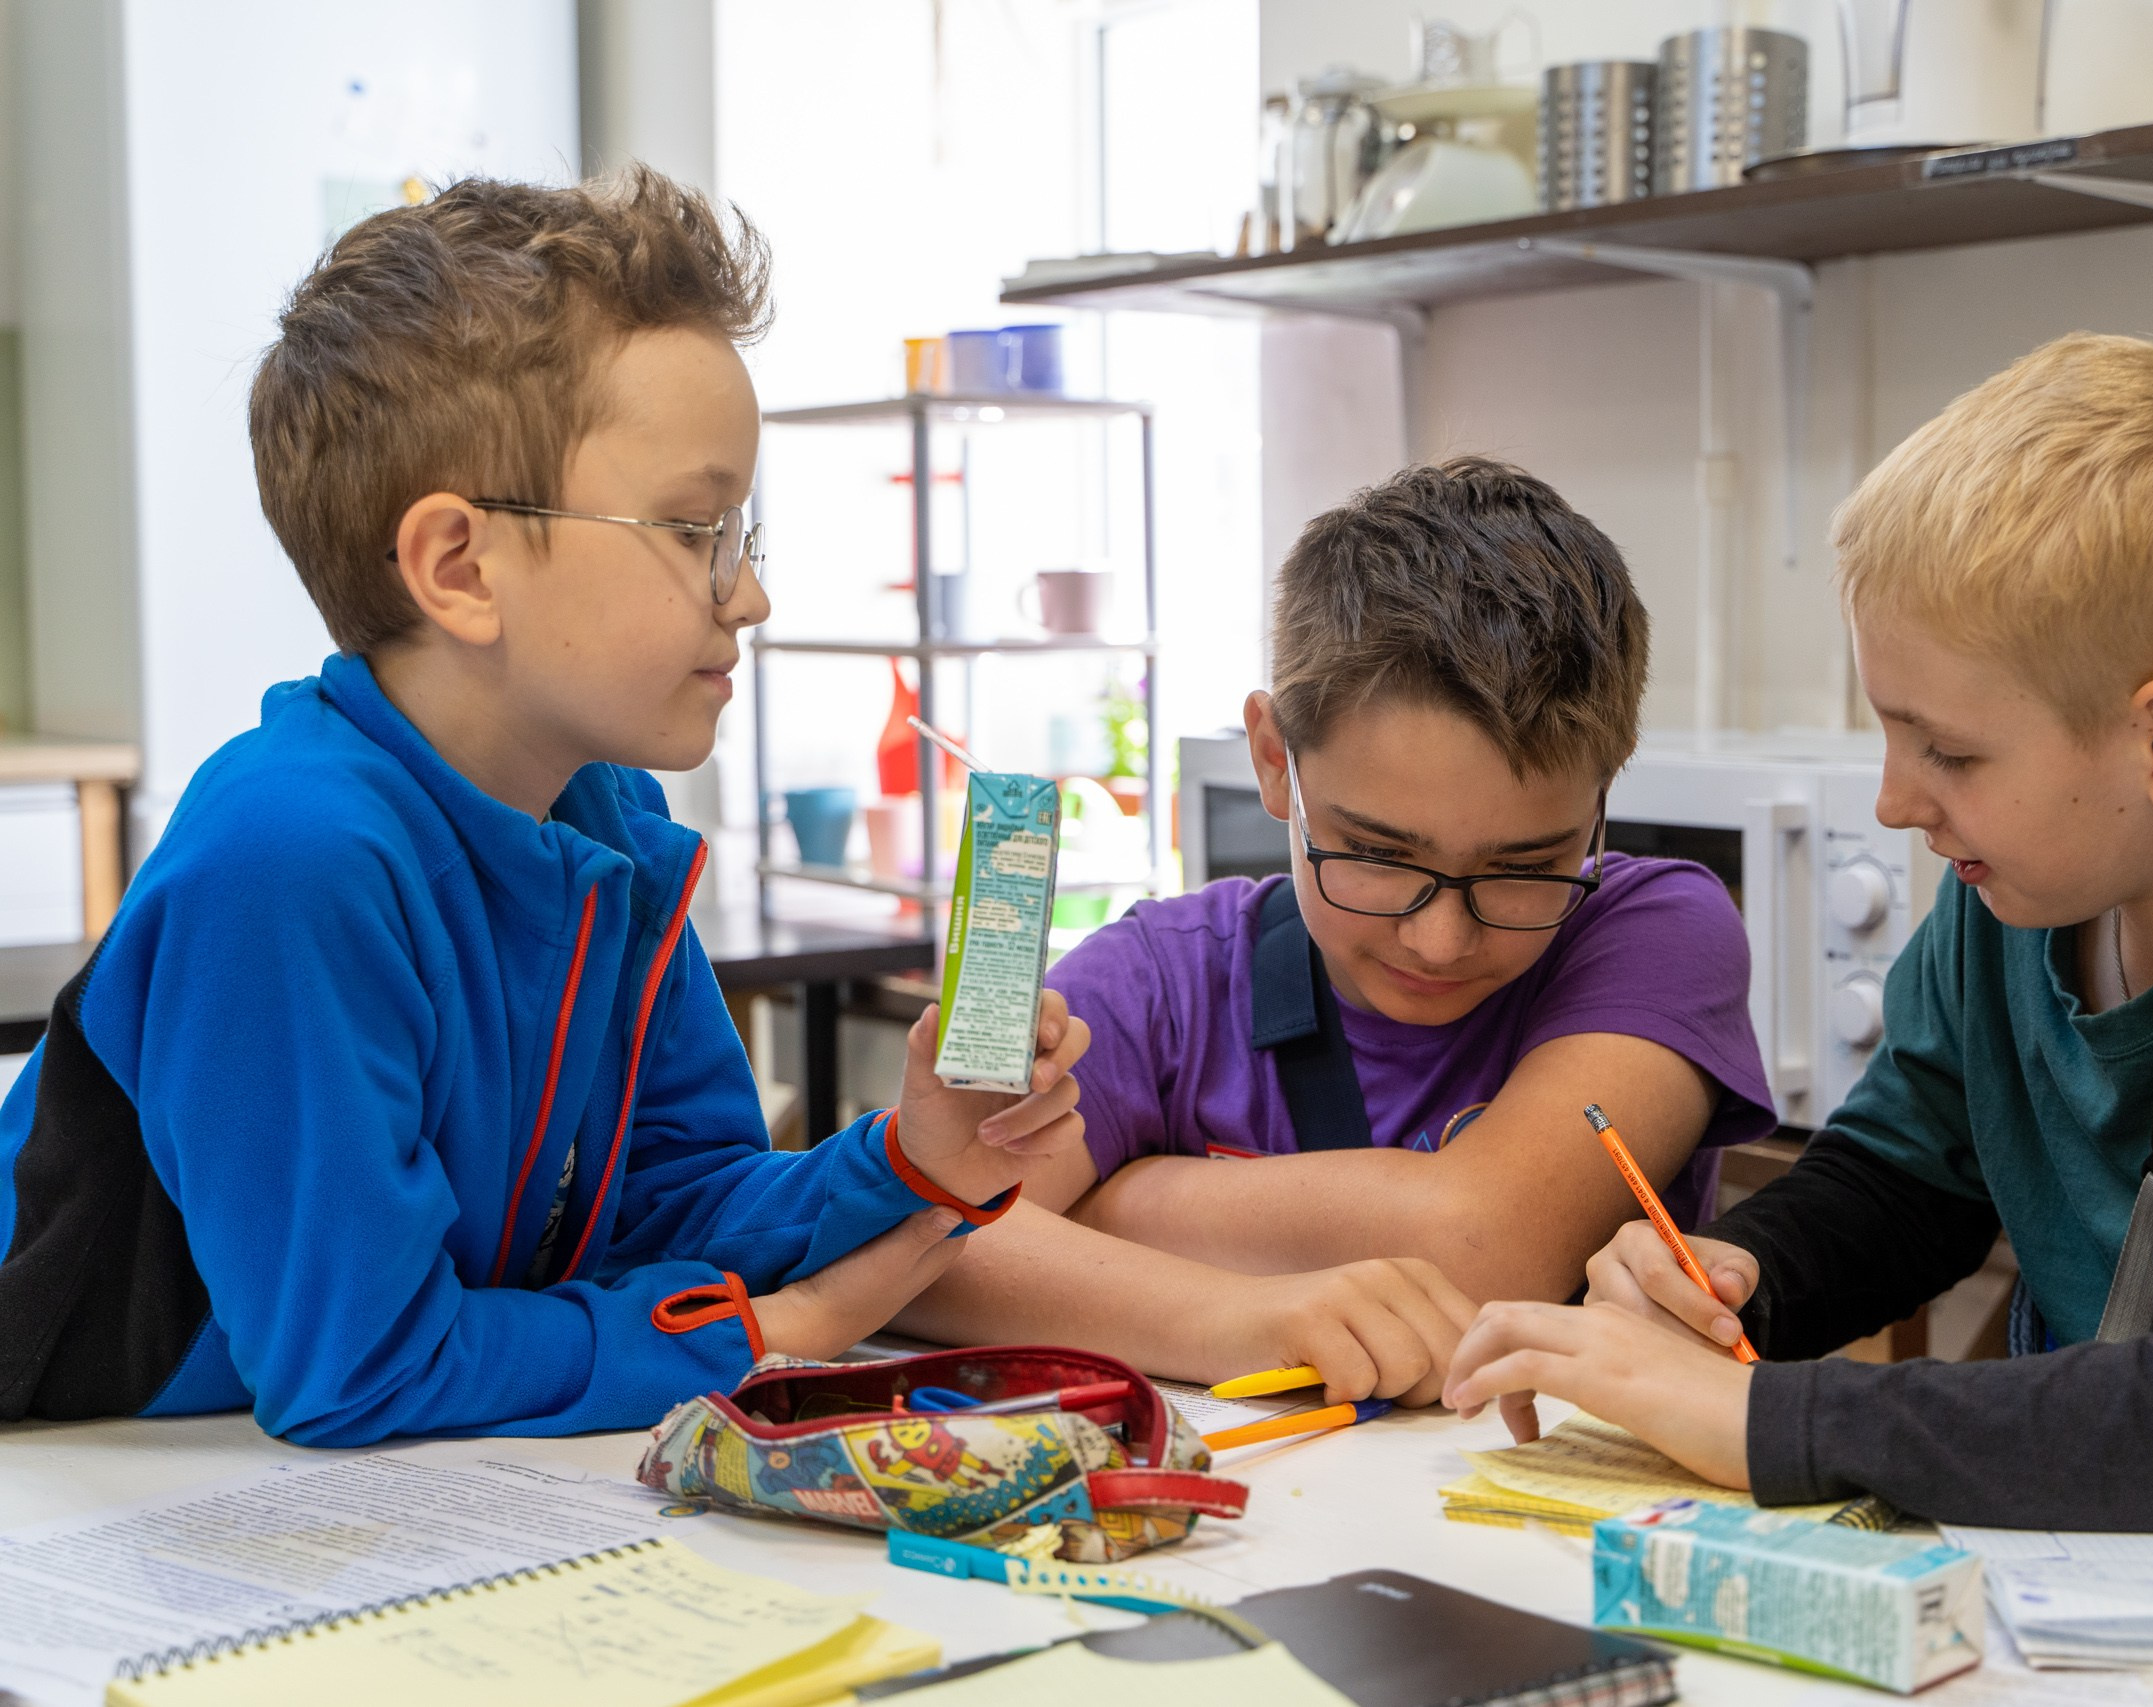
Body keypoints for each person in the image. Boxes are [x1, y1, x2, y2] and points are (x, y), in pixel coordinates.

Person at [0, 170, 1090, 1446]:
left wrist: (910, 1157)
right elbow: (362, 1369)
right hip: (69, 1473)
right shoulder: (289, 859)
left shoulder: (601, 819)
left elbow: (665, 1206)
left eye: (739, 533)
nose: (748, 596)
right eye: (692, 529)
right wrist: (765, 1336)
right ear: (461, 568)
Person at [1445, 333, 2153, 1541]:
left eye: (1950, 753)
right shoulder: (2016, 891)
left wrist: (1788, 1422)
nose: (1896, 802)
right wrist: (1735, 1277)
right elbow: (1903, 1182)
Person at [896, 458, 1775, 1405]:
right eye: (1380, 855)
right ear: (1275, 760)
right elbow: (913, 1242)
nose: (1440, 940)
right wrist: (1237, 1315)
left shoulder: (1657, 929)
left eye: (1524, 868)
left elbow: (1479, 1243)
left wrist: (1120, 1201)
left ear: (1605, 791)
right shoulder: (1162, 980)